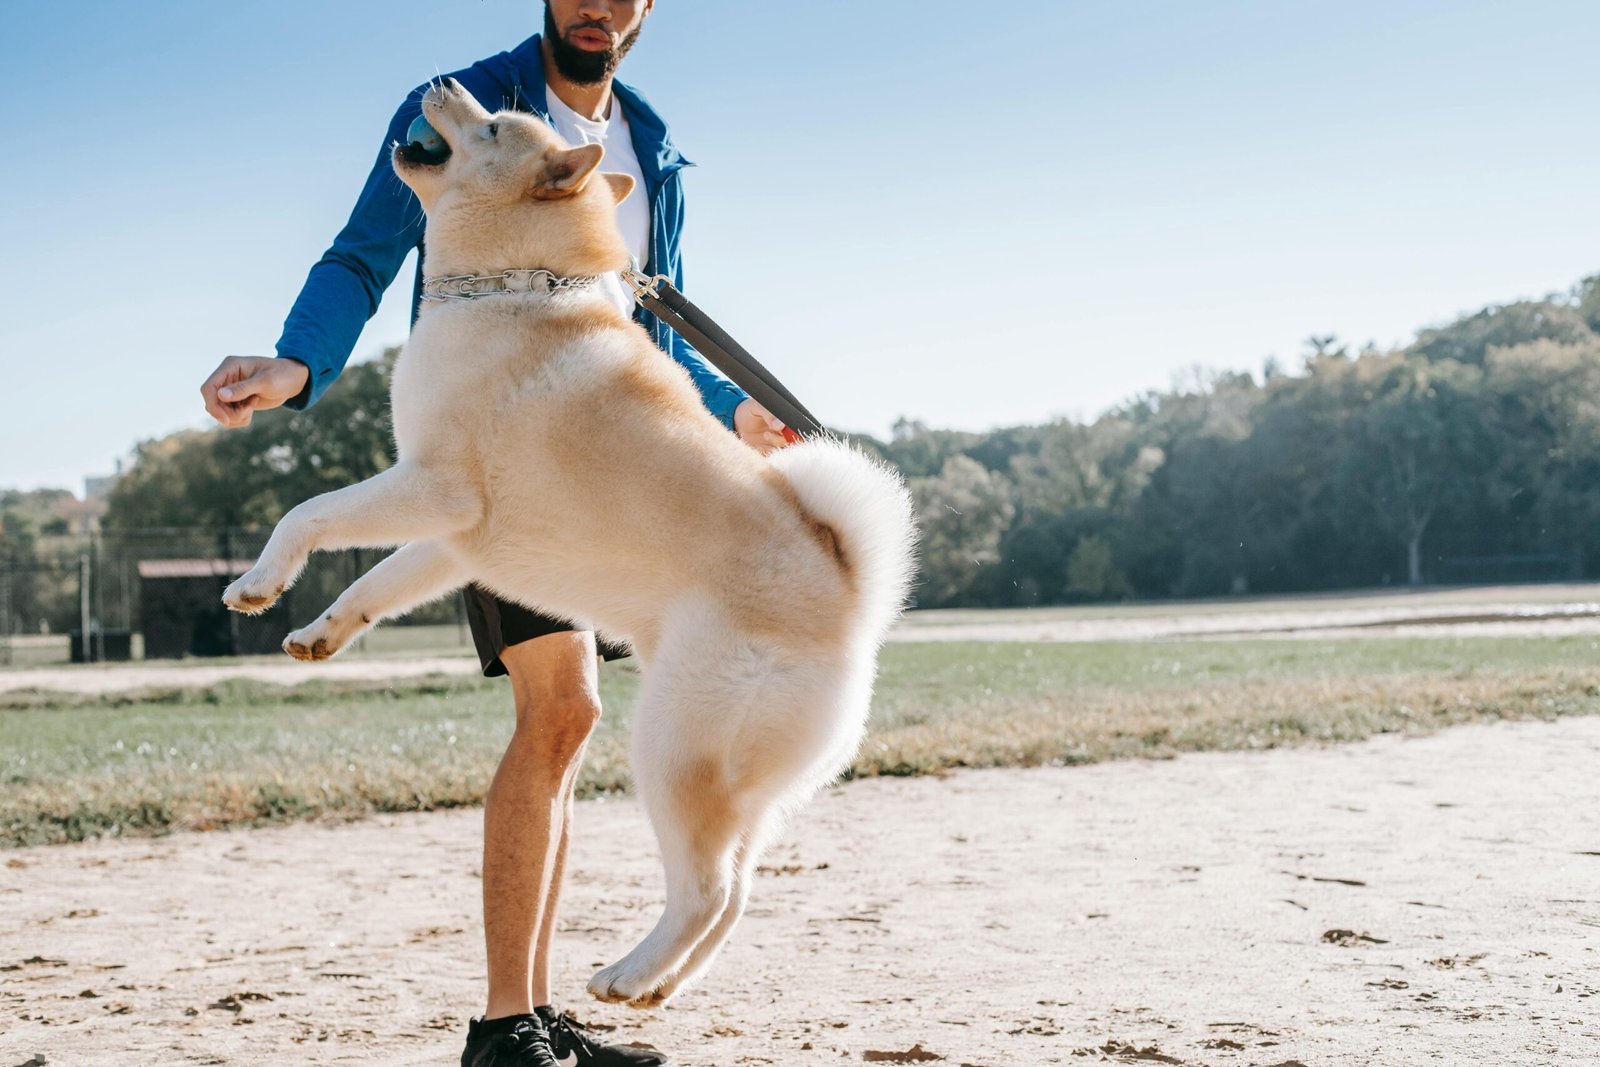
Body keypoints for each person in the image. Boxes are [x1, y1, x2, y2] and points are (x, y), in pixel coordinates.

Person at [198, 3, 788, 1064]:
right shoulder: (472, 106)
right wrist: (297, 362)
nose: (597, 6)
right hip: (497, 438)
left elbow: (653, 313)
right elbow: (362, 255)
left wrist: (734, 412)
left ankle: (536, 1016)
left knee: (576, 717)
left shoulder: (648, 141)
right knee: (559, 707)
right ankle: (506, 1024)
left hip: (607, 462)